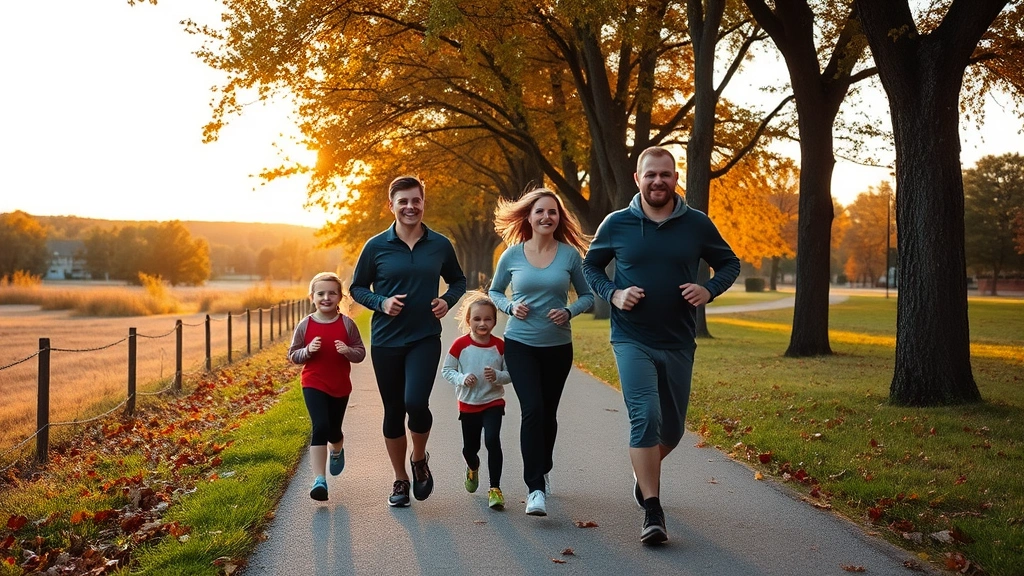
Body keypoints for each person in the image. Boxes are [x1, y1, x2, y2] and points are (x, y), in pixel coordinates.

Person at [582, 146, 740, 544]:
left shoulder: (697, 225)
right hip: (631, 337)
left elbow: (730, 263)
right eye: (650, 174)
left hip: (679, 340)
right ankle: (653, 509)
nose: (658, 181)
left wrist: (709, 289)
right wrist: (613, 294)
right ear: (638, 179)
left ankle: (642, 472)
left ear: (675, 178)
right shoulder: (616, 224)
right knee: (646, 416)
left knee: (673, 428)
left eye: (665, 174)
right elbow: (590, 266)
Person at [350, 175, 467, 507]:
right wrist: (381, 302)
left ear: (423, 203)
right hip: (386, 340)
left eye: (415, 200)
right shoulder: (376, 246)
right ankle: (400, 479)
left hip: (425, 338)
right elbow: (357, 287)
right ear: (391, 205)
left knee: (416, 403)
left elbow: (458, 280)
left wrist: (448, 299)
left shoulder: (440, 244)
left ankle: (419, 460)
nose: (410, 206)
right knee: (393, 410)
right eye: (403, 201)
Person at [488, 187, 594, 517]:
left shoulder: (569, 256)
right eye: (540, 212)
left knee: (547, 414)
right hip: (520, 345)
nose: (547, 217)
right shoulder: (513, 255)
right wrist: (509, 305)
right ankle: (534, 488)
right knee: (532, 409)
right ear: (529, 218)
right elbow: (494, 290)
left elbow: (588, 296)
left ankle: (543, 466)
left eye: (553, 212)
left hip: (558, 347)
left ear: (559, 218)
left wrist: (570, 311)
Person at [287, 271, 367, 502]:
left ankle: (338, 449)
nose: (326, 297)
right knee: (320, 426)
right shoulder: (305, 324)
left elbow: (360, 353)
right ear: (312, 296)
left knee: (334, 431)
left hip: (340, 385)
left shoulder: (347, 324)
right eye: (321, 293)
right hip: (313, 382)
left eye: (332, 293)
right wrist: (308, 351)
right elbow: (293, 355)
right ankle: (319, 480)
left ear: (340, 297)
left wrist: (348, 351)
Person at [441, 291, 511, 510]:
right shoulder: (460, 345)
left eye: (488, 318)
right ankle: (472, 467)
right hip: (469, 403)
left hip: (493, 401)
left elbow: (511, 373)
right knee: (470, 449)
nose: (483, 323)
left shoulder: (500, 346)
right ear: (468, 320)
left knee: (492, 441)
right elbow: (447, 370)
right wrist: (462, 378)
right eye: (477, 319)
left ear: (494, 321)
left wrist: (498, 376)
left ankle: (495, 489)